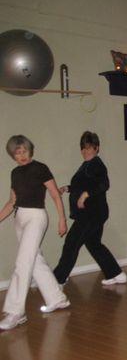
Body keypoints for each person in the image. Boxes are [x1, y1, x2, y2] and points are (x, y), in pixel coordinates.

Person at [0, 135, 71, 331]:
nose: (21, 156)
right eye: (16, 153)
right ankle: (57, 298)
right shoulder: (14, 173)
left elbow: (55, 194)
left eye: (23, 151)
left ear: (30, 150)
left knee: (23, 262)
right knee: (35, 261)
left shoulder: (40, 168)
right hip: (19, 218)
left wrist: (62, 219)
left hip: (36, 217)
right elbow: (11, 202)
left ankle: (16, 312)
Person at [53, 132, 126, 287]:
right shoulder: (87, 165)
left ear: (96, 148)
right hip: (93, 213)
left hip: (91, 214)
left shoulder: (97, 165)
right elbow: (84, 184)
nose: (85, 151)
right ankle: (116, 273)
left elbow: (104, 184)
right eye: (83, 148)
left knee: (72, 243)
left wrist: (85, 195)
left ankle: (58, 279)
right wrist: (68, 188)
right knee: (93, 244)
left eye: (89, 148)